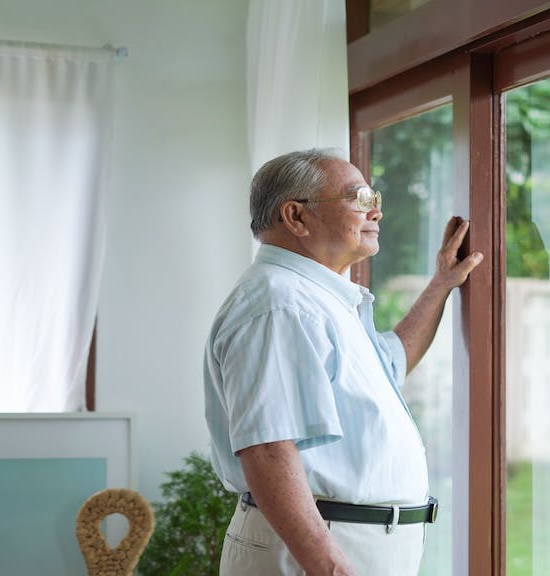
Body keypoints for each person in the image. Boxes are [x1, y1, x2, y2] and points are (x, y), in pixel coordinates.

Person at [203, 148, 483, 575]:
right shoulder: (280, 304)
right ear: (296, 216)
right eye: (361, 199)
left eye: (376, 200)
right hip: (319, 553)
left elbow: (392, 363)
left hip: (345, 544)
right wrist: (332, 568)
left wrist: (442, 283)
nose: (376, 213)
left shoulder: (315, 298)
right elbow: (267, 451)